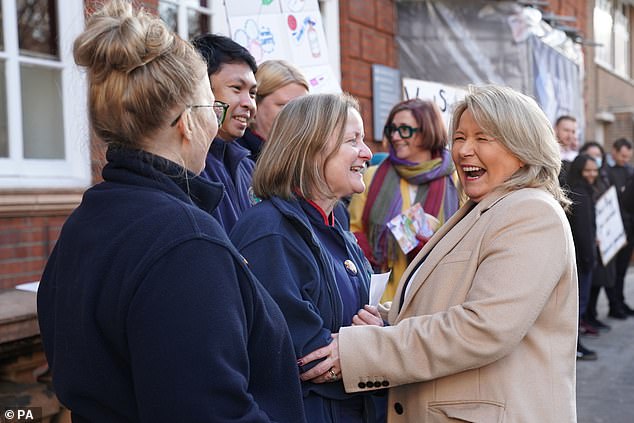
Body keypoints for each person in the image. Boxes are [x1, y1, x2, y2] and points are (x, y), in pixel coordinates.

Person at [36, 2, 305, 421]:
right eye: (211, 109)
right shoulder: (186, 241)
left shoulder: (88, 218)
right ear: (187, 121)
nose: (217, 124)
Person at [299, 85, 578, 423]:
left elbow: (482, 328)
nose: (463, 150)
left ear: (521, 148)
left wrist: (361, 351)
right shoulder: (483, 207)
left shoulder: (530, 212)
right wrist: (389, 318)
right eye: (459, 138)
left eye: (482, 138)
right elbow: (449, 295)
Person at [230, 93, 384, 422]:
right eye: (352, 140)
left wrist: (376, 335)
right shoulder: (271, 233)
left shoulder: (335, 227)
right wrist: (375, 346)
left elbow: (362, 330)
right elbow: (307, 359)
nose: (367, 152)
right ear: (310, 149)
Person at [348, 99, 459, 301]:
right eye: (392, 129)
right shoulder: (371, 176)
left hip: (437, 297)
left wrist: (423, 232)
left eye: (405, 130)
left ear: (428, 130)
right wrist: (408, 229)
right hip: (383, 298)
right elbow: (353, 233)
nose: (396, 136)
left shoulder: (456, 180)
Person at [191, 33, 258, 232]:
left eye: (253, 93)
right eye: (237, 88)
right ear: (202, 90)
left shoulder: (250, 168)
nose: (249, 104)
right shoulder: (186, 167)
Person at [578, 141, 623, 325]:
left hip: (603, 237)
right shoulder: (580, 189)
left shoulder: (602, 178)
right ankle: (586, 320)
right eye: (591, 155)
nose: (595, 162)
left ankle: (591, 316)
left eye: (598, 156)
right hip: (589, 243)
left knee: (599, 280)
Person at [237, 59, 310, 162]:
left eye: (304, 108)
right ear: (255, 103)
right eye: (285, 106)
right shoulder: (235, 157)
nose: (296, 114)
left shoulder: (309, 155)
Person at [567, 154, 600, 359]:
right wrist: (590, 259)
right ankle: (575, 347)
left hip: (579, 257)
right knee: (579, 305)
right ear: (580, 170)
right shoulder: (581, 193)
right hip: (581, 259)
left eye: (595, 170)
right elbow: (583, 231)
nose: (592, 174)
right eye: (588, 170)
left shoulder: (580, 190)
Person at [606, 138, 634, 317]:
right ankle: (613, 305)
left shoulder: (630, 171)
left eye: (628, 157)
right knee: (612, 271)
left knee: (623, 269)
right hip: (613, 229)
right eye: (622, 156)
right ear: (614, 151)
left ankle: (621, 301)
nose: (625, 160)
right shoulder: (605, 172)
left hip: (629, 229)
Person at [555, 115, 579, 186]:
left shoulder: (576, 155)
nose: (570, 135)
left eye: (573, 132)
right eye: (566, 130)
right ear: (556, 129)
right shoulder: (548, 154)